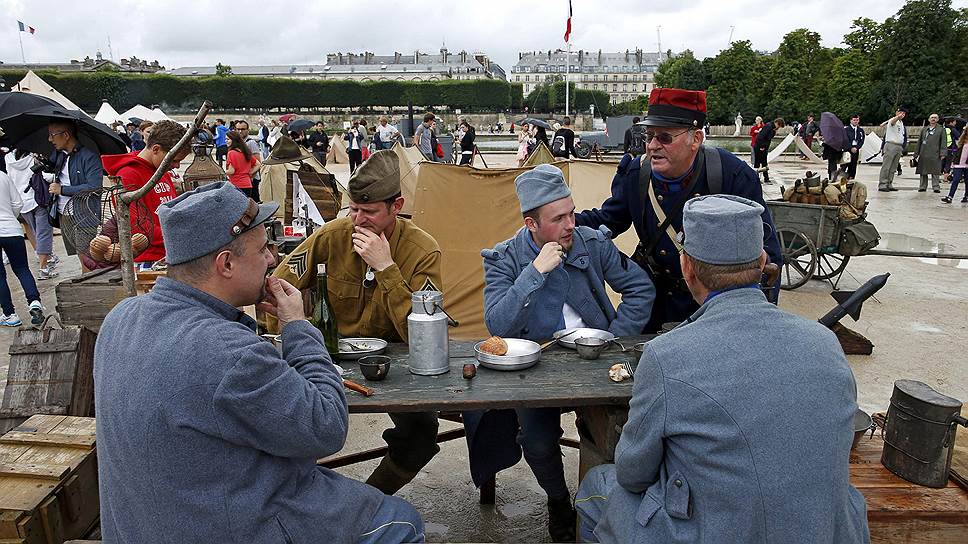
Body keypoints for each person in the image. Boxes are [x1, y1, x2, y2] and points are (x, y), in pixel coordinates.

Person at [94, 181, 424, 543]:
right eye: (264, 249)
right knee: (401, 522)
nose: (271, 260)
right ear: (227, 263)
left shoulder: (120, 317)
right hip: (223, 524)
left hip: (151, 521)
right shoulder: (229, 352)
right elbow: (326, 427)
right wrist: (298, 326)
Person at [575, 194, 870, 544]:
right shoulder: (825, 342)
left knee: (597, 487)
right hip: (826, 531)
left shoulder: (666, 356)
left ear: (687, 268)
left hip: (722, 532)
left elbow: (633, 475)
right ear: (762, 261)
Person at [470, 164, 655, 542]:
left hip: (597, 361)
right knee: (537, 442)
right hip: (535, 368)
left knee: (617, 434)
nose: (571, 224)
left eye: (572, 212)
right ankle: (557, 499)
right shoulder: (504, 258)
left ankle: (600, 504)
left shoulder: (591, 242)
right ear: (531, 224)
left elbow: (640, 289)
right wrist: (534, 273)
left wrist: (613, 339)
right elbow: (497, 327)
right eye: (559, 218)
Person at [273, 150, 443, 496]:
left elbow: (426, 334)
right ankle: (300, 503)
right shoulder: (332, 235)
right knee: (284, 423)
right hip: (327, 362)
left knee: (421, 435)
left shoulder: (422, 250)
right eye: (353, 209)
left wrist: (387, 270)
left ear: (397, 205)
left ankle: (369, 500)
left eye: (369, 212)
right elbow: (278, 284)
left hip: (393, 366)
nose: (358, 220)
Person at [576, 88, 782, 333]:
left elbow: (768, 254)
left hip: (716, 309)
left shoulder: (732, 175)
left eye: (664, 137)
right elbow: (610, 220)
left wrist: (759, 324)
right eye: (648, 135)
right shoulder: (636, 174)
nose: (652, 146)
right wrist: (563, 221)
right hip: (657, 304)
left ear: (695, 139)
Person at [102, 120, 189, 269]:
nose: (177, 166)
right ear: (156, 149)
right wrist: (186, 234)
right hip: (149, 260)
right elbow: (139, 229)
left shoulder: (161, 170)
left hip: (170, 252)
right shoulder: (128, 176)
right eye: (174, 160)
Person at [48, 119, 104, 272]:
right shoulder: (59, 156)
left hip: (84, 214)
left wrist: (62, 190)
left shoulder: (89, 157)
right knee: (79, 255)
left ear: (66, 135)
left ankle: (89, 288)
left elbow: (94, 187)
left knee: (87, 258)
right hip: (64, 214)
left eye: (52, 135)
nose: (50, 139)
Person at [0, 163, 45, 326]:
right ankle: (35, 302)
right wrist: (9, 218)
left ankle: (9, 314)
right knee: (22, 269)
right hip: (13, 230)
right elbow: (18, 203)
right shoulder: (3, 176)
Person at [4, 150, 57, 279]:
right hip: (39, 198)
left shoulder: (8, 158)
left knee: (34, 232)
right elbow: (46, 176)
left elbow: (9, 178)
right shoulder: (33, 156)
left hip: (22, 201)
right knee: (43, 233)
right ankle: (43, 268)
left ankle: (47, 259)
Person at [878, 108, 907, 192]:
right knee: (886, 166)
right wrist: (897, 117)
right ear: (897, 113)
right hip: (891, 145)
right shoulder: (893, 120)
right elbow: (893, 121)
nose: (902, 115)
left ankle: (889, 183)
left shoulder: (902, 124)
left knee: (893, 167)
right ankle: (883, 184)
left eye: (904, 114)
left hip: (899, 146)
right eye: (901, 112)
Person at [915, 113, 946, 193]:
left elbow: (943, 142)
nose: (933, 119)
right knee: (923, 171)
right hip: (924, 152)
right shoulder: (924, 129)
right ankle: (922, 186)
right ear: (929, 119)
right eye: (932, 117)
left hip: (935, 153)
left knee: (935, 171)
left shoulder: (941, 129)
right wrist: (916, 153)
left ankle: (936, 187)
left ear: (938, 120)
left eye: (935, 118)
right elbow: (919, 142)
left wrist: (943, 153)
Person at [235, 120, 264, 202]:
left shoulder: (251, 143)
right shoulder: (239, 143)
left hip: (251, 179)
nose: (240, 131)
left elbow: (257, 162)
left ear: (248, 130)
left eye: (243, 129)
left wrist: (250, 176)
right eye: (238, 129)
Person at [225, 131, 259, 198]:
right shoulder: (245, 151)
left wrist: (223, 172)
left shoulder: (231, 153)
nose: (226, 141)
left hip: (236, 185)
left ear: (234, 140)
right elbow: (258, 164)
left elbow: (232, 171)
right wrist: (249, 172)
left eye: (228, 139)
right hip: (248, 184)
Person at [753, 117, 784, 184]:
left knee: (764, 163)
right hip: (759, 146)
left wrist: (774, 132)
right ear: (777, 123)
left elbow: (768, 138)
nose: (778, 128)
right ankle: (756, 178)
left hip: (763, 147)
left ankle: (766, 179)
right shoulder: (769, 126)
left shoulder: (772, 128)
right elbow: (760, 137)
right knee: (757, 163)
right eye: (779, 126)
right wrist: (762, 146)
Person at [942, 129, 968, 203]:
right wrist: (953, 163)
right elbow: (957, 153)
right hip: (958, 164)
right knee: (955, 180)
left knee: (967, 181)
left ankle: (966, 196)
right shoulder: (961, 140)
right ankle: (950, 197)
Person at [845, 114, 865, 180]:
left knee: (854, 165)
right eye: (854, 120)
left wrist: (857, 147)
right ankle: (844, 178)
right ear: (851, 121)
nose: (855, 121)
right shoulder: (846, 130)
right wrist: (850, 148)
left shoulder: (860, 130)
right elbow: (845, 140)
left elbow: (861, 140)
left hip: (856, 149)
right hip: (848, 149)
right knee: (846, 165)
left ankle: (852, 178)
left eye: (857, 120)